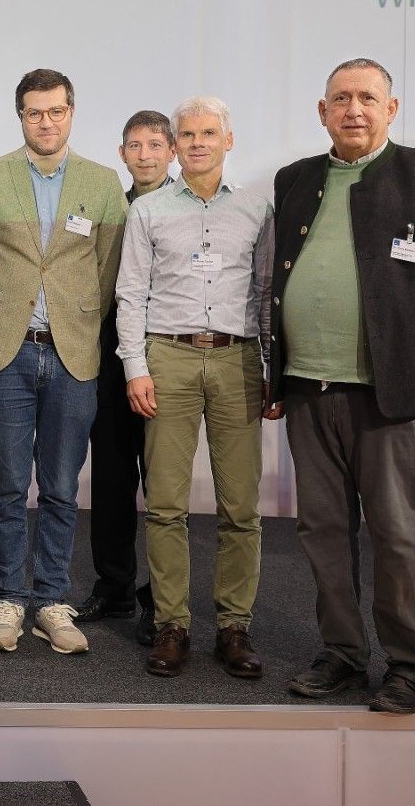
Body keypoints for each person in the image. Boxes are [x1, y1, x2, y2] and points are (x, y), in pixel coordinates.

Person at [267, 58, 415, 714]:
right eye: (341, 98)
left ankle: (409, 664)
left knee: (397, 534)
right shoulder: (295, 179)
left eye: (368, 97)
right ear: (322, 112)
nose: (354, 109)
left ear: (391, 109)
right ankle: (342, 654)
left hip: (389, 395)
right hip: (308, 388)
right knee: (322, 532)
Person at [0, 69, 126, 656]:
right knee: (7, 485)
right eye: (35, 113)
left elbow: (108, 273)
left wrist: (73, 316)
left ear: (71, 113)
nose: (46, 122)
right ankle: (9, 598)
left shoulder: (102, 183)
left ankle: (53, 600)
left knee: (60, 486)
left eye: (56, 111)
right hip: (4, 351)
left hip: (73, 352)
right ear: (21, 117)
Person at [116, 96, 273, 679]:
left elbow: (266, 294)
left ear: (228, 140)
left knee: (241, 508)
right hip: (168, 358)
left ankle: (234, 627)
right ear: (175, 144)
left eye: (209, 133)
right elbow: (130, 293)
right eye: (187, 134)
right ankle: (171, 625)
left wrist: (272, 368)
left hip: (239, 362)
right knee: (165, 505)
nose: (198, 143)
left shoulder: (257, 209)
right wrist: (135, 368)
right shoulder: (148, 210)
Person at [77, 111, 176, 645]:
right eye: (135, 145)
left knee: (162, 483)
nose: (145, 155)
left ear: (172, 151)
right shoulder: (110, 206)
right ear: (122, 153)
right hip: (110, 360)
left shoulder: (185, 208)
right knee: (112, 478)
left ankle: (161, 600)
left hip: (168, 358)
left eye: (155, 144)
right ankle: (113, 585)